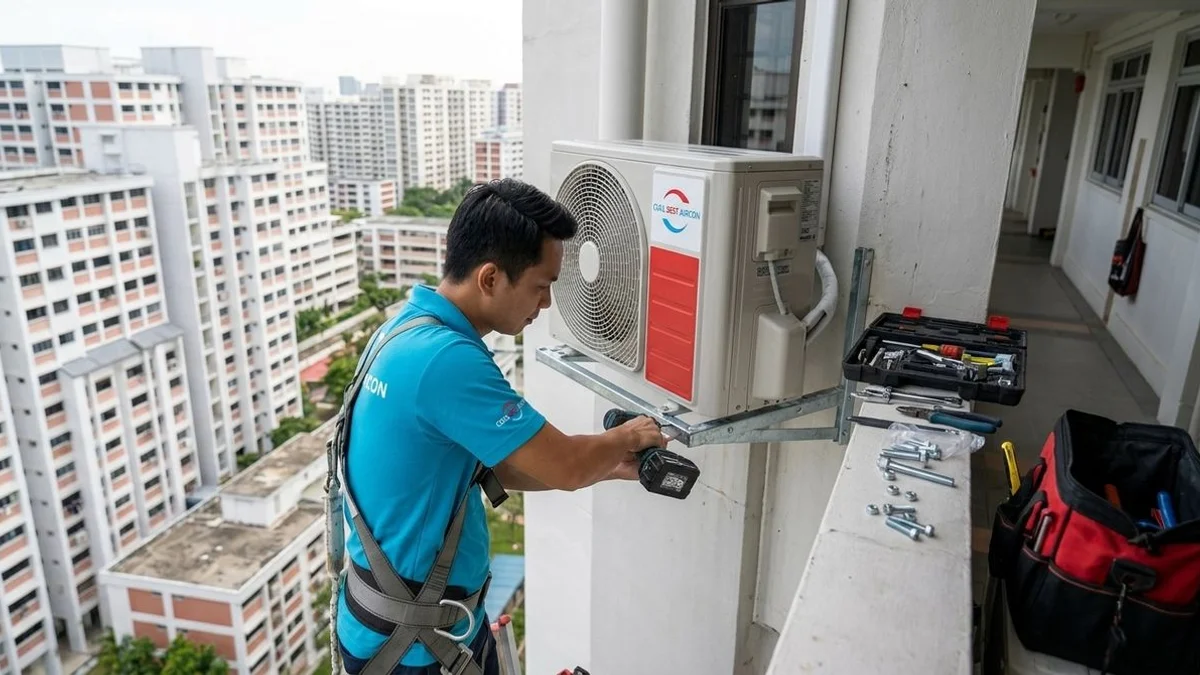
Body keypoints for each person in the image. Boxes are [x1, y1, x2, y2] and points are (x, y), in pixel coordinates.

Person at [334, 178, 666, 675]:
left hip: (398, 625)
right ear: (490, 278)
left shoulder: (403, 330)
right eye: (541, 286)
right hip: (416, 650)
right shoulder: (446, 359)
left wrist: (607, 465)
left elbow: (493, 467)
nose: (546, 303)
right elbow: (566, 465)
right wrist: (629, 436)